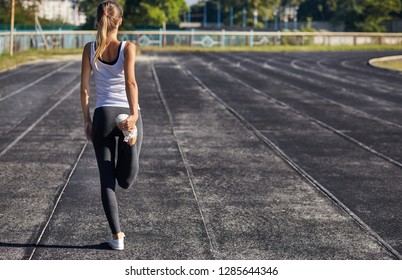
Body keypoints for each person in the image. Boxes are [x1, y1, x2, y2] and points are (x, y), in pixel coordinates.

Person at [80, 0, 142, 251]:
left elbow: (84, 88)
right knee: (126, 180)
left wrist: (87, 120)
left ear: (97, 21)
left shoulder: (89, 48)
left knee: (107, 181)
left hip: (103, 115)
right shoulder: (128, 47)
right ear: (120, 22)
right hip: (126, 113)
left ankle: (117, 237)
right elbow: (131, 83)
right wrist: (134, 116)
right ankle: (129, 133)